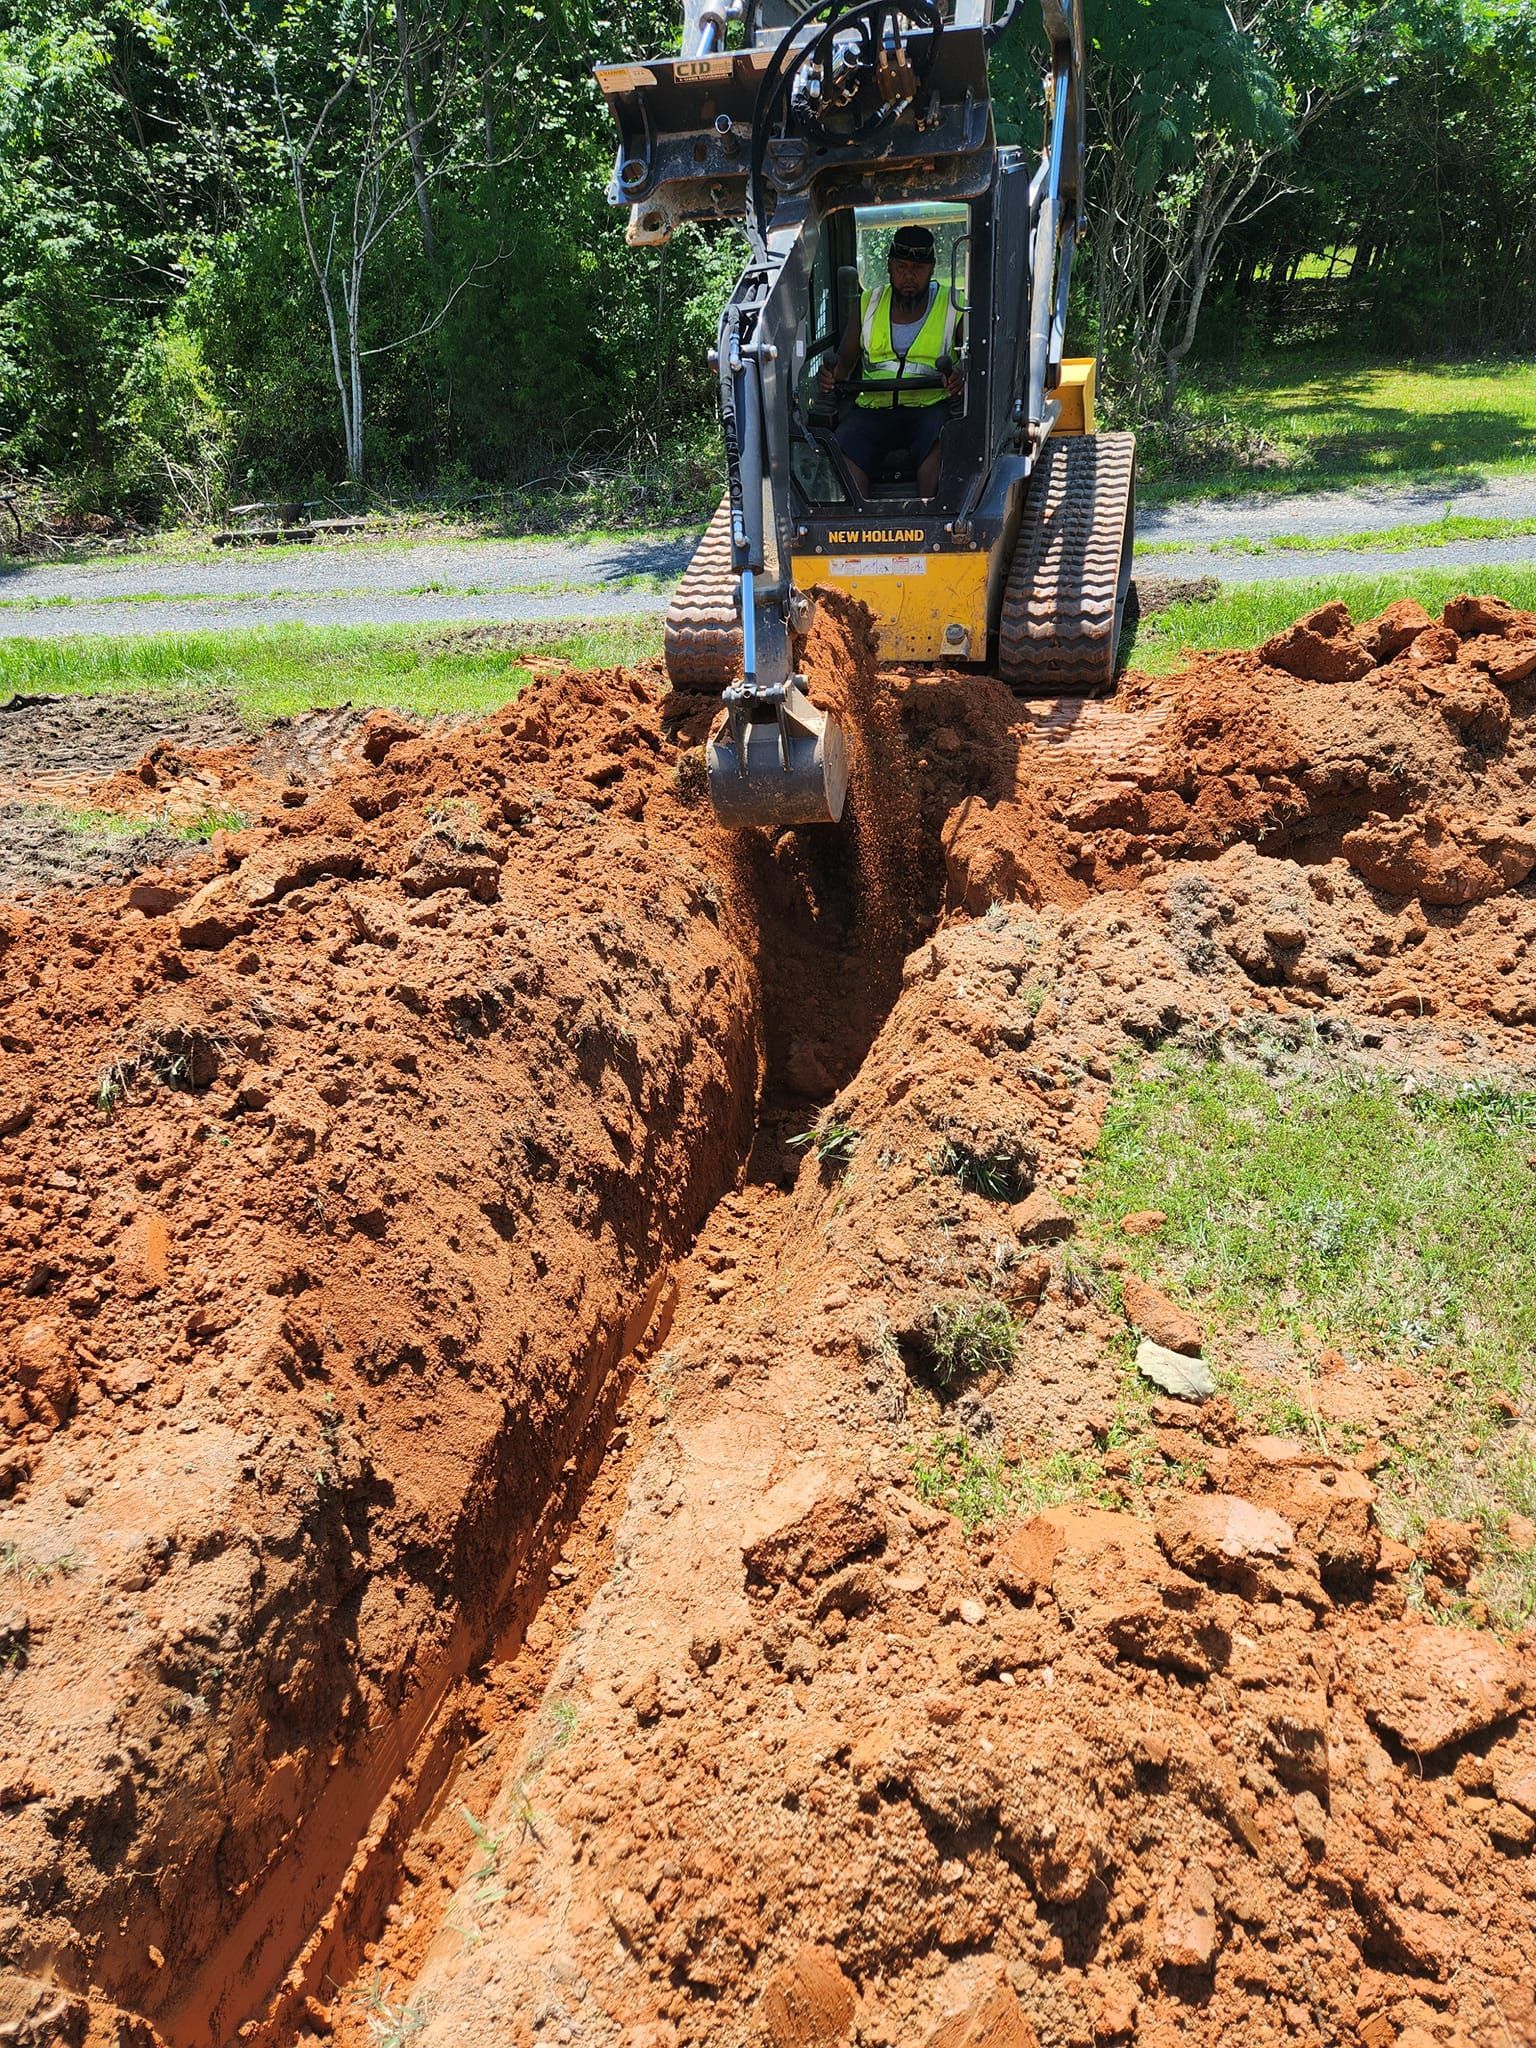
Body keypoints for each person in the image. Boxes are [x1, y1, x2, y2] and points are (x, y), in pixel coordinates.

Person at [817, 223, 964, 498]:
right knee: (844, 446)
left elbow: (972, 357)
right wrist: (829, 375)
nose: (909, 275)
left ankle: (929, 525)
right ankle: (857, 529)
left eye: (918, 269)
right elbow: (844, 364)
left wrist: (960, 372)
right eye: (901, 267)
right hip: (874, 407)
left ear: (932, 269)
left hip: (929, 405)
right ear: (889, 267)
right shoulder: (869, 303)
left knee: (943, 444)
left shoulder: (953, 304)